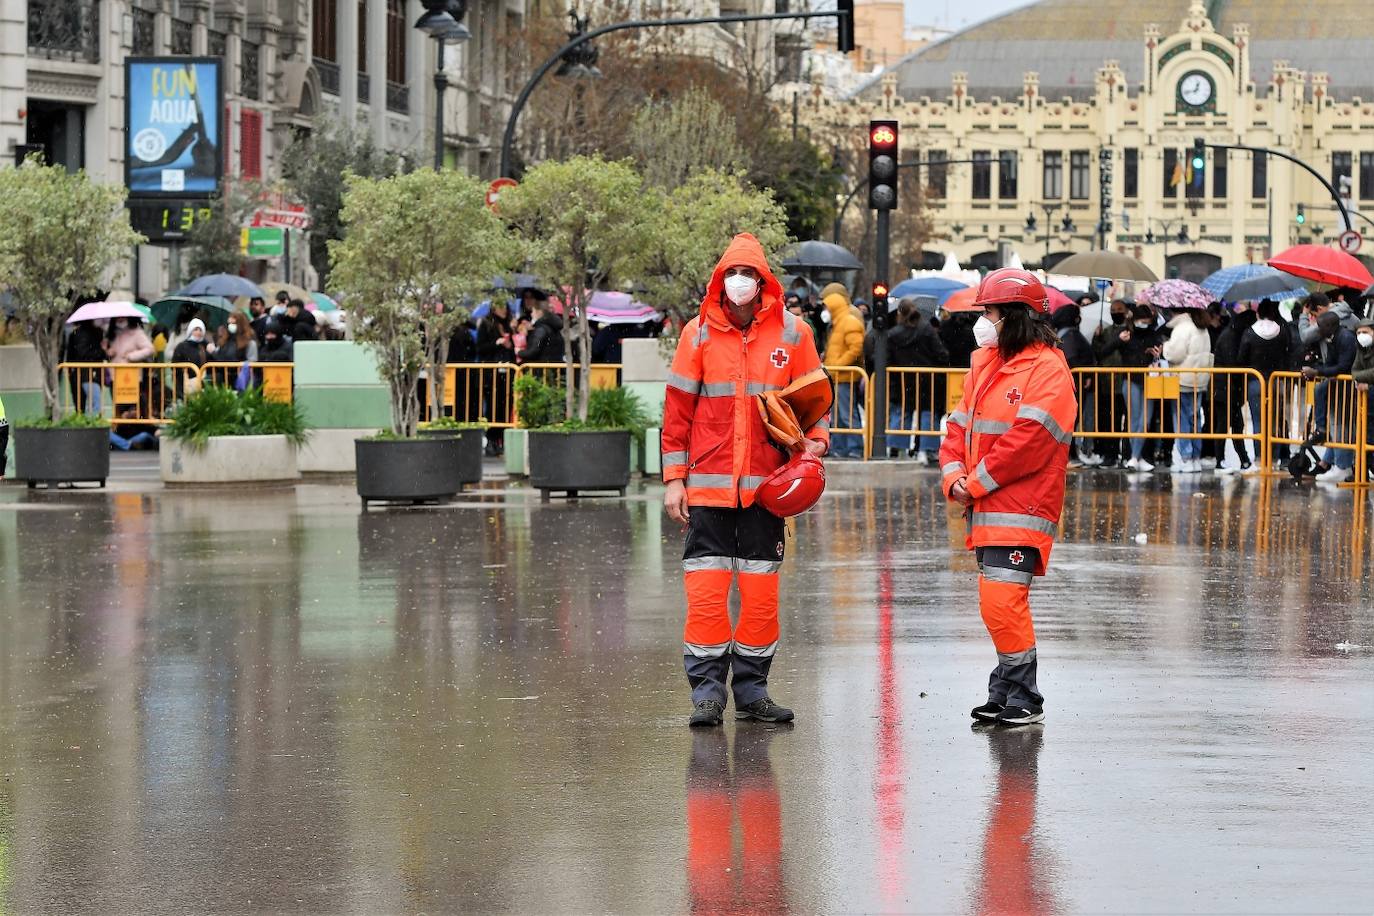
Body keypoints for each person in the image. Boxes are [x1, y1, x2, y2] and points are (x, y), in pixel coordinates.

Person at [661, 232, 828, 728]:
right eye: (732, 274)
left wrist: (815, 444)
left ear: (763, 283)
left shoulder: (794, 334)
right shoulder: (697, 335)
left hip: (765, 489)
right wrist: (674, 479)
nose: (740, 283)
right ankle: (707, 695)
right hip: (707, 489)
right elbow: (677, 414)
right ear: (721, 280)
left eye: (749, 275)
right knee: (707, 596)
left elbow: (815, 401)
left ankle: (752, 692)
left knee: (760, 598)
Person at [939, 268, 1076, 727]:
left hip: (1022, 506)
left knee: (1002, 601)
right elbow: (957, 426)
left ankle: (1023, 696)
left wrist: (972, 482)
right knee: (996, 603)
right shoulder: (985, 363)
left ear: (1015, 316)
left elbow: (1030, 440)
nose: (984, 321)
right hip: (988, 505)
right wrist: (953, 474)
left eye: (991, 312)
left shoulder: (1048, 370)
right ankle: (1005, 690)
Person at [1099, 304, 1162, 470]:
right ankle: (1135, 457)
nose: (1144, 323)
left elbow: (1160, 356)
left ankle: (1135, 456)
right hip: (1130, 381)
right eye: (1141, 320)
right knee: (1134, 419)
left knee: (1145, 420)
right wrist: (1119, 340)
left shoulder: (1154, 335)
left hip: (1150, 381)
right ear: (1134, 320)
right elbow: (1104, 351)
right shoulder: (1126, 334)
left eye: (1147, 321)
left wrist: (1157, 356)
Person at [884, 298, 949, 462]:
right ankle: (929, 449)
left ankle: (897, 449)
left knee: (902, 413)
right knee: (928, 414)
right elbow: (942, 355)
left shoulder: (893, 334)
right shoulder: (927, 330)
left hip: (902, 381)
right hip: (928, 381)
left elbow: (887, 359)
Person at [1239, 299, 1299, 467]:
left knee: (1258, 422)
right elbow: (1288, 353)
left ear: (1258, 313)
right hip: (1276, 381)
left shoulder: (1250, 332)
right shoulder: (1282, 330)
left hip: (1255, 381)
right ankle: (1274, 457)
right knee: (1275, 421)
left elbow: (1241, 357)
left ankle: (1260, 458)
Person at [1305, 311, 1359, 483]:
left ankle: (1342, 467)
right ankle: (1327, 462)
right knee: (1337, 427)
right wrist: (1314, 369)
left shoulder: (1345, 338)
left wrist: (1318, 371)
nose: (1317, 329)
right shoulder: (1334, 338)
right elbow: (1331, 364)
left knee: (1342, 428)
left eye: (1320, 326)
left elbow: (1343, 366)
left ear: (1330, 326)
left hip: (1348, 390)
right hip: (1340, 388)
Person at [1162, 306, 1214, 474]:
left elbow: (1175, 354)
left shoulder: (1182, 328)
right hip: (1199, 379)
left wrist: (1165, 347)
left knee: (1181, 419)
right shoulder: (1202, 328)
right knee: (1195, 419)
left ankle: (1185, 457)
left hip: (1182, 379)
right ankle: (1195, 457)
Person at [1051, 304, 1099, 468]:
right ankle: (1069, 455)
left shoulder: (1063, 335)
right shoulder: (1070, 336)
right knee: (1071, 419)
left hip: (1073, 384)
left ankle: (1071, 454)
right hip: (1075, 385)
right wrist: (1085, 375)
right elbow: (1072, 359)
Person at [821, 285, 866, 458]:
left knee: (847, 414)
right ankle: (839, 448)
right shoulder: (838, 323)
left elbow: (856, 348)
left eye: (826, 307)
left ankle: (855, 448)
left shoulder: (849, 322)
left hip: (845, 376)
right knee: (839, 416)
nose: (824, 311)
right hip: (836, 376)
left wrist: (837, 365)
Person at [1211, 304, 1257, 471]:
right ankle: (1220, 461)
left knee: (1236, 425)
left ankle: (1243, 460)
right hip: (1225, 388)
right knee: (1224, 425)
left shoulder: (1233, 334)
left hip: (1231, 388)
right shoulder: (1231, 337)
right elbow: (1234, 364)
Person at [477, 300, 517, 457]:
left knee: (505, 406)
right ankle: (491, 440)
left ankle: (500, 439)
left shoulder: (510, 325)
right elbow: (480, 348)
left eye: (505, 307)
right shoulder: (486, 324)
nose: (503, 310)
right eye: (500, 307)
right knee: (493, 406)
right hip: (492, 372)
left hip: (508, 371)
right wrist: (497, 343)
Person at [63, 318, 106, 414]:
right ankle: (93, 427)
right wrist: (103, 351)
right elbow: (84, 354)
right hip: (89, 375)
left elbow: (70, 356)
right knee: (95, 406)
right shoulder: (93, 333)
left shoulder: (75, 333)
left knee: (80, 408)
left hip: (78, 374)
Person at [517, 298, 564, 365]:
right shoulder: (553, 327)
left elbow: (534, 351)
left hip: (541, 368)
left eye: (533, 311)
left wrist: (519, 352)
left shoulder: (541, 329)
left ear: (539, 312)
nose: (531, 314)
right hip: (552, 366)